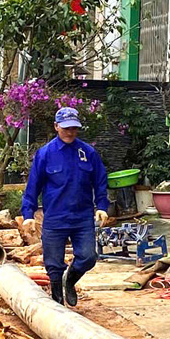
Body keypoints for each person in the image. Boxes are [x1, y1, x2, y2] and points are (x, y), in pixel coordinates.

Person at [20, 106, 108, 306]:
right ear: (56, 126)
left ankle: (70, 280)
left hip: (82, 217)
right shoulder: (45, 154)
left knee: (88, 257)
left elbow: (100, 181)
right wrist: (28, 214)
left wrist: (101, 206)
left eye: (74, 128)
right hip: (55, 217)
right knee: (53, 265)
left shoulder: (87, 152)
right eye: (66, 128)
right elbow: (33, 186)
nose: (70, 132)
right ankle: (57, 300)